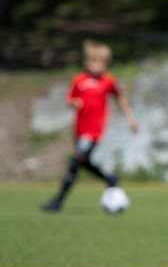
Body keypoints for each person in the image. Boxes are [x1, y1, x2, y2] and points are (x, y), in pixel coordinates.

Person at [42, 40, 138, 212]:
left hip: (94, 130)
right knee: (83, 162)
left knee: (75, 161)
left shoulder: (108, 81)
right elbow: (69, 99)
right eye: (92, 61)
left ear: (106, 64)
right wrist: (74, 103)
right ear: (86, 61)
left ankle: (57, 202)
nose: (95, 65)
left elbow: (120, 98)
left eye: (100, 62)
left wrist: (131, 119)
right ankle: (110, 179)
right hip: (79, 129)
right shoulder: (79, 80)